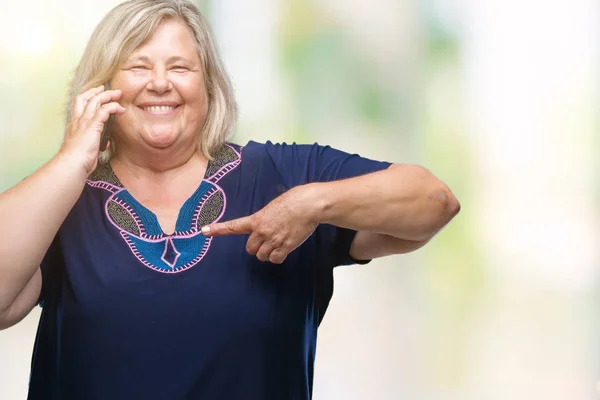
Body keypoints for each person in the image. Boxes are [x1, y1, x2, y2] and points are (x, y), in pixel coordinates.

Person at [0, 0, 460, 399]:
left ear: (210, 85)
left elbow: (433, 201)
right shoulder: (62, 200)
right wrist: (71, 160)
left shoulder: (282, 176)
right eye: (139, 66)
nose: (160, 83)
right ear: (102, 89)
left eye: (180, 67)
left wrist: (311, 204)